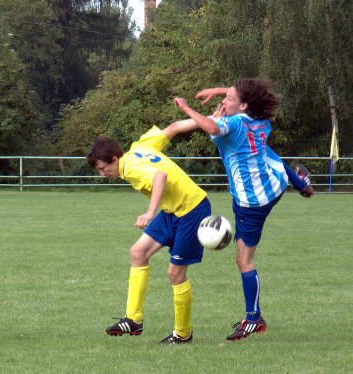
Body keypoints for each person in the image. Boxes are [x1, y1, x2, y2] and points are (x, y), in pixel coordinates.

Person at [173, 77, 314, 341]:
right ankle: (302, 185)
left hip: (252, 202)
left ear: (243, 106)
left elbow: (211, 126)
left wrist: (186, 108)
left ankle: (253, 319)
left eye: (229, 98)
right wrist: (219, 91)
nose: (223, 101)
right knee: (267, 153)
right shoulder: (260, 120)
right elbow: (228, 113)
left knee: (243, 260)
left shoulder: (234, 124)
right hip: (271, 183)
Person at [86, 120, 212, 345]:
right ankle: (133, 319)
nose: (103, 174)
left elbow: (159, 177)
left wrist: (149, 212)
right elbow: (173, 128)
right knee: (138, 252)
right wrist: (206, 120)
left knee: (175, 273)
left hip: (192, 209)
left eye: (103, 169)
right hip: (171, 211)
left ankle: (183, 334)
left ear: (114, 159)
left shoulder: (130, 167)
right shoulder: (140, 147)